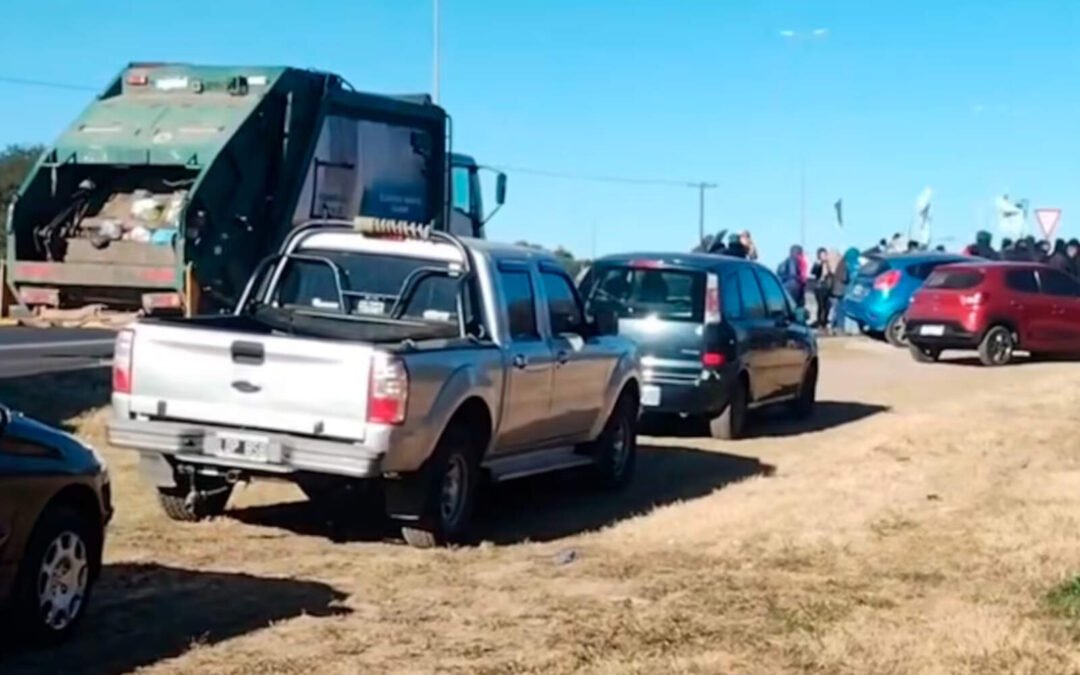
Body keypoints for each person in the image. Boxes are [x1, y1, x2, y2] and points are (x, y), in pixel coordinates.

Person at [830, 247, 860, 334]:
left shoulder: (842, 262)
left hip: (838, 290)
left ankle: (836, 327)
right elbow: (843, 277)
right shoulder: (845, 263)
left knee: (838, 310)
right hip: (842, 291)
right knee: (841, 310)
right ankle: (840, 328)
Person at [810, 248, 834, 328]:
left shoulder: (828, 264)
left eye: (825, 254)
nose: (824, 256)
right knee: (821, 305)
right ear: (819, 256)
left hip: (827, 287)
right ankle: (820, 322)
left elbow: (831, 274)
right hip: (819, 287)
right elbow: (813, 273)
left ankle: (824, 321)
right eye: (822, 255)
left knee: (827, 305)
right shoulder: (817, 264)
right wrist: (820, 264)